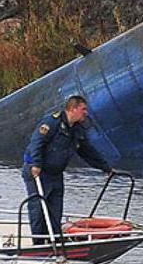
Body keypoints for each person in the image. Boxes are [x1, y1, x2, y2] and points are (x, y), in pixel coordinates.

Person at [22, 95, 114, 244]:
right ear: (73, 108)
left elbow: (86, 151)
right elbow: (37, 143)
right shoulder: (52, 122)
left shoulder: (76, 130)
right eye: (83, 109)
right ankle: (38, 243)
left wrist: (105, 167)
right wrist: (36, 164)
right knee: (38, 209)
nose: (86, 113)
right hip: (39, 172)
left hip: (56, 174)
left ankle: (55, 242)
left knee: (55, 210)